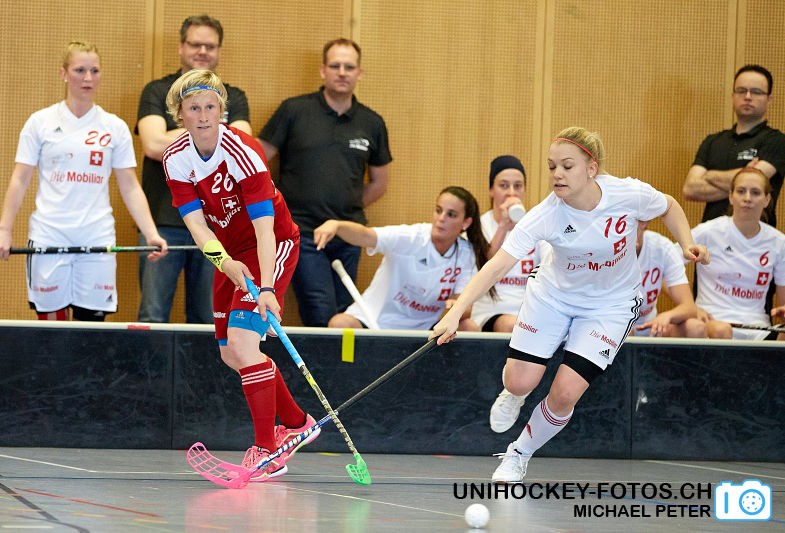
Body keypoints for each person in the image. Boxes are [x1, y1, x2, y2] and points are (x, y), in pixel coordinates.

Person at [430, 127, 709, 483]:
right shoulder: (546, 214)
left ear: (591, 168)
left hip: (610, 306)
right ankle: (514, 394)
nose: (557, 175)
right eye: (551, 167)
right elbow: (497, 265)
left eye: (567, 166)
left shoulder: (628, 193)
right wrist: (455, 313)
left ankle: (518, 453)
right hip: (552, 297)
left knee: (564, 393)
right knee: (519, 381)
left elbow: (668, 205)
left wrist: (686, 242)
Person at [162, 69, 319, 480]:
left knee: (244, 343)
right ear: (180, 113)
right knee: (232, 354)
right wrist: (224, 263)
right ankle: (298, 423)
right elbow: (197, 226)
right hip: (230, 255)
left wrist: (267, 288)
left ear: (221, 109)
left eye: (210, 107)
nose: (203, 116)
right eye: (193, 108)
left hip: (273, 244)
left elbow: (266, 229)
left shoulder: (243, 151)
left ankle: (267, 451)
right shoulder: (175, 159)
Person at [0, 41, 167, 321]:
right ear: (63, 73)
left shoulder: (114, 127)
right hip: (49, 235)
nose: (88, 78)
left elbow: (129, 186)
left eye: (94, 71)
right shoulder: (40, 122)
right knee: (51, 329)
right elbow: (20, 178)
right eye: (80, 70)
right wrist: (4, 229)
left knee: (90, 330)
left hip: (96, 236)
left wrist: (151, 233)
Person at [259, 38, 393, 327]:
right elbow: (256, 162)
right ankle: (321, 360)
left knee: (346, 314)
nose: (342, 72)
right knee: (319, 310)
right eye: (335, 66)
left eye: (349, 67)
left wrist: (345, 208)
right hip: (303, 233)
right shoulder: (294, 111)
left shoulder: (372, 122)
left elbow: (379, 183)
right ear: (323, 70)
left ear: (359, 73)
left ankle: (336, 361)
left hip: (349, 235)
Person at [136, 14, 252, 324]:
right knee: (152, 315)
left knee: (209, 318)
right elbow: (153, 145)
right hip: (163, 223)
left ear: (219, 51)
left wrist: (180, 134)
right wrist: (210, 130)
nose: (202, 51)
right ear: (181, 47)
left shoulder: (234, 96)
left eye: (210, 46)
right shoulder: (157, 91)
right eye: (195, 44)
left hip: (218, 223)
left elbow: (242, 145)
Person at [313, 186, 489, 330]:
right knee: (339, 324)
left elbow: (465, 307)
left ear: (466, 222)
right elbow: (366, 235)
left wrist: (456, 306)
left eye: (451, 215)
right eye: (438, 210)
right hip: (374, 321)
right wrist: (336, 225)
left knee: (469, 328)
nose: (441, 219)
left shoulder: (466, 254)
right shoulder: (410, 237)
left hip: (426, 329)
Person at [469, 155, 546, 433]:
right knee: (512, 324)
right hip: (492, 309)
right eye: (504, 186)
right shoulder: (479, 225)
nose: (511, 192)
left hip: (530, 310)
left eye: (518, 186)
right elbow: (482, 268)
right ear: (491, 190)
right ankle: (514, 391)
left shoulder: (537, 223)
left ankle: (522, 392)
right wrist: (503, 226)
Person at [682, 167, 785, 340]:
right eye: (741, 191)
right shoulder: (708, 231)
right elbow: (664, 265)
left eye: (755, 192)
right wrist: (689, 307)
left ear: (767, 199)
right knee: (721, 331)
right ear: (731, 196)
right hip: (712, 324)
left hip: (758, 330)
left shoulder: (779, 242)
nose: (747, 198)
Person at [683, 65, 785, 227]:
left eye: (756, 92)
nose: (748, 97)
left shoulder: (776, 141)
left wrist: (709, 175)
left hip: (756, 237)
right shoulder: (713, 141)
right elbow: (690, 189)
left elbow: (751, 183)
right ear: (733, 96)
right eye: (741, 90)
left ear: (769, 99)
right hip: (712, 236)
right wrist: (744, 175)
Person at [632, 220, 702, 337]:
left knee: (696, 328)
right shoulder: (605, 248)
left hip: (650, 326)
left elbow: (689, 307)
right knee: (622, 332)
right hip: (612, 327)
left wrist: (667, 316)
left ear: (644, 222)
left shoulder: (661, 247)